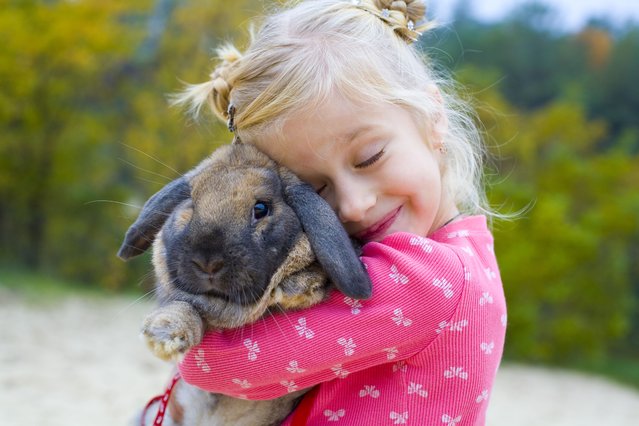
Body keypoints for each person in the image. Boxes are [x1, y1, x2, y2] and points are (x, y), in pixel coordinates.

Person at [172, 0, 507, 424]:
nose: (352, 204)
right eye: (313, 189)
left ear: (434, 116)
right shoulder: (469, 252)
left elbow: (214, 364)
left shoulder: (428, 280)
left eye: (369, 158)